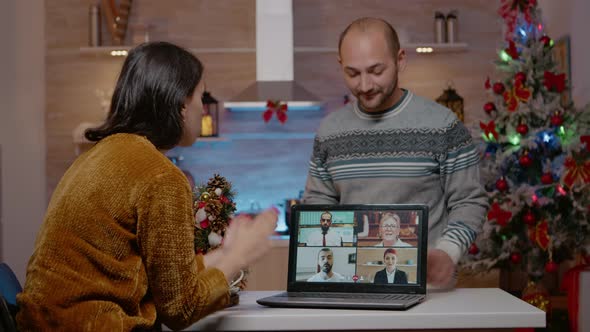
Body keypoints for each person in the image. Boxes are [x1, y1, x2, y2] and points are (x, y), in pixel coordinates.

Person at [16, 42, 278, 331]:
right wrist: (239, 257)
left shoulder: (99, 156)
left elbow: (167, 279)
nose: (204, 109)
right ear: (180, 104)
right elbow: (181, 307)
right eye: (201, 97)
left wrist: (226, 254)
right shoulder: (160, 176)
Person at [302, 17, 488, 288]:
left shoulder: (443, 125)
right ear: (340, 66)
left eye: (376, 70)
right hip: (351, 288)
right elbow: (318, 206)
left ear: (400, 60)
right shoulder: (329, 132)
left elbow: (470, 200)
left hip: (428, 292)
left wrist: (448, 252)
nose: (364, 85)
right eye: (353, 74)